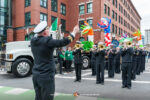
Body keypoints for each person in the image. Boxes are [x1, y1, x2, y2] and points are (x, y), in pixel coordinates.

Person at [31, 21, 79, 100]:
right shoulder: (47, 41)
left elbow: (37, 35)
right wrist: (74, 32)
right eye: (47, 29)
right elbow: (64, 42)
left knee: (38, 97)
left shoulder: (33, 41)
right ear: (45, 33)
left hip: (36, 75)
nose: (49, 30)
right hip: (46, 76)